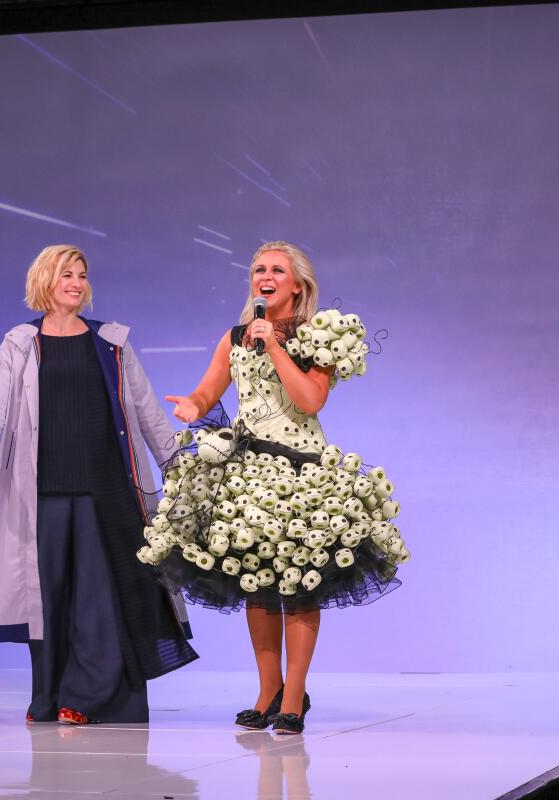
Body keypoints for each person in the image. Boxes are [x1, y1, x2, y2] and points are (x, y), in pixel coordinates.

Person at [148, 241, 408, 735]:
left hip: (302, 475)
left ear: (297, 284)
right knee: (258, 584)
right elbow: (210, 389)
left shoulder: (319, 336)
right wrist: (193, 406)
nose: (264, 276)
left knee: (299, 585)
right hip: (246, 474)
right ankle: (267, 690)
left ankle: (294, 694)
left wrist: (273, 345)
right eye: (258, 269)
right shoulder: (234, 337)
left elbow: (310, 400)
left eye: (276, 270)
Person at [0, 244, 197, 725]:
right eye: (67, 274)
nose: (77, 282)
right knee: (47, 598)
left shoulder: (109, 341)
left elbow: (146, 410)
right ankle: (46, 696)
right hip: (40, 490)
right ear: (45, 280)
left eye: (82, 275)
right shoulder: (21, 342)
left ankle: (86, 697)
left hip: (103, 489)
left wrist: (178, 465)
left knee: (98, 596)